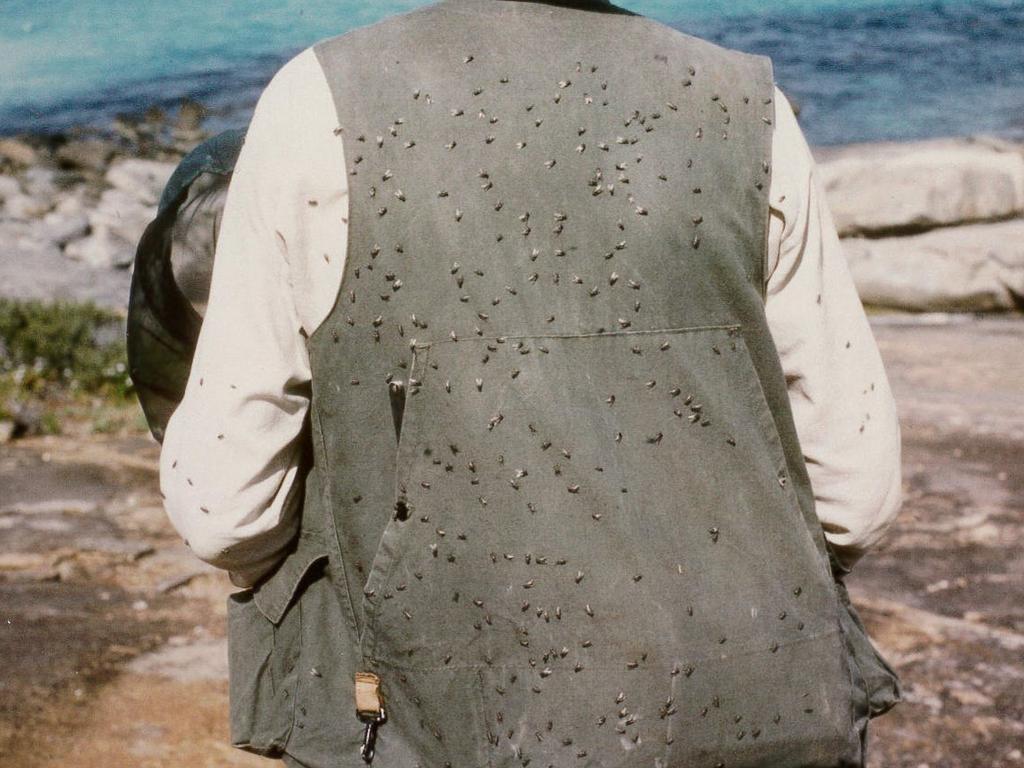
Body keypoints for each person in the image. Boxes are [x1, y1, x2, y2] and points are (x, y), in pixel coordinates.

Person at [157, 1, 903, 765]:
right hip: (761, 706)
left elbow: (224, 508)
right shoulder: (751, 103)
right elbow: (858, 494)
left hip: (440, 716)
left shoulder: (314, 100)